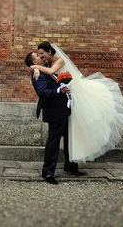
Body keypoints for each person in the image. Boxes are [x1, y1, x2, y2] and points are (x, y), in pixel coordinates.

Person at [31, 41, 123, 163]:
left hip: (75, 94)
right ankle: (70, 164)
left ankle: (73, 163)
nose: (41, 56)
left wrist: (36, 67)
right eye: (38, 54)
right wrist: (36, 69)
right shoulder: (47, 63)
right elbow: (46, 74)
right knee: (69, 132)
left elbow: (51, 72)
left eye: (42, 53)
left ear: (49, 52)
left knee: (78, 127)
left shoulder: (59, 60)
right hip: (63, 98)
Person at [25, 51, 86, 184]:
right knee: (53, 141)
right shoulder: (37, 75)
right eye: (38, 56)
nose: (41, 56)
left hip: (65, 109)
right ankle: (48, 173)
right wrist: (60, 91)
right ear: (35, 62)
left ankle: (71, 166)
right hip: (54, 111)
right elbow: (43, 93)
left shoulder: (48, 69)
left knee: (70, 138)